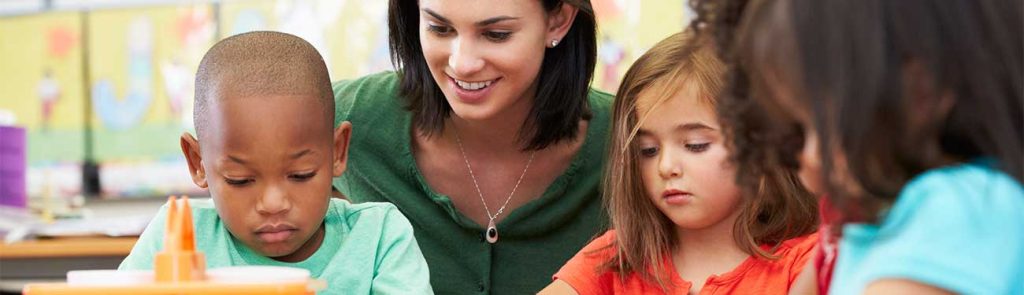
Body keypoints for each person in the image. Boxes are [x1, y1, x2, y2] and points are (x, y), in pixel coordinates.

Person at [731, 0, 1024, 293]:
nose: (810, 155)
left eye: (824, 127)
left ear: (920, 90)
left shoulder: (963, 206)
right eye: (800, 130)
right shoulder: (878, 222)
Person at [119, 31, 432, 294]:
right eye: (239, 179)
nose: (273, 203)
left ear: (337, 151)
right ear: (197, 161)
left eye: (300, 175)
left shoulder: (378, 238)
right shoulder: (176, 239)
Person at [330, 0, 611, 293]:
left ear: (558, 20)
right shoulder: (349, 117)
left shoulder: (633, 139)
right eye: (439, 28)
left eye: (496, 34)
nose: (462, 63)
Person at [539, 30, 818, 295]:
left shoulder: (808, 264)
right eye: (647, 150)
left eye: (695, 145)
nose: (666, 166)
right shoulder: (614, 259)